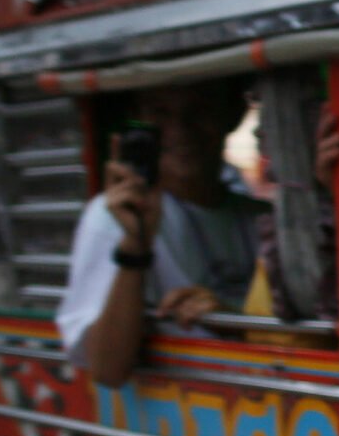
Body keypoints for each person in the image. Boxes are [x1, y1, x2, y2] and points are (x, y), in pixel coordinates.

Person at [57, 81, 264, 387]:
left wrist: (230, 321)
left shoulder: (258, 216)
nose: (180, 129)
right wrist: (135, 245)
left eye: (199, 111)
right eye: (160, 114)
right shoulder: (114, 216)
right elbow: (108, 370)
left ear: (231, 114)